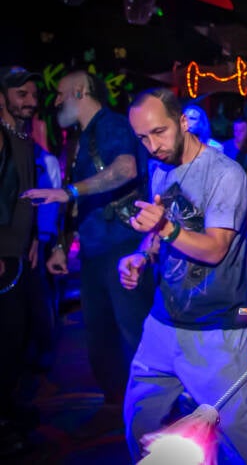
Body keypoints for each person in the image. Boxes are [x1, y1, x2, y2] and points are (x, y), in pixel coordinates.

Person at [119, 87, 247, 464]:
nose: (152, 146)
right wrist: (142, 255)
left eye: (159, 132)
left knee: (239, 433)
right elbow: (159, 235)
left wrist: (166, 229)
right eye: (142, 138)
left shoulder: (225, 174)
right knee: (139, 422)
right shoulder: (159, 169)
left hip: (214, 331)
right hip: (162, 322)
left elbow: (215, 248)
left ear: (183, 122)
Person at [22, 69, 155, 437]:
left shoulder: (111, 124)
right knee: (100, 337)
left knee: (134, 331)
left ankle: (155, 410)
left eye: (61, 94)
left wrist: (69, 192)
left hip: (123, 246)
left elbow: (126, 168)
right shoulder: (80, 138)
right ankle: (117, 405)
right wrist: (61, 246)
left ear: (80, 90)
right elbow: (80, 202)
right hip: (96, 252)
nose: (55, 102)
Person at [0, 67, 40, 456]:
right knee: (5, 340)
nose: (30, 100)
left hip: (18, 251)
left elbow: (24, 193)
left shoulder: (23, 137)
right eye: (21, 94)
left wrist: (34, 238)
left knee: (17, 338)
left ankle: (8, 410)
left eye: (33, 94)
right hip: (2, 255)